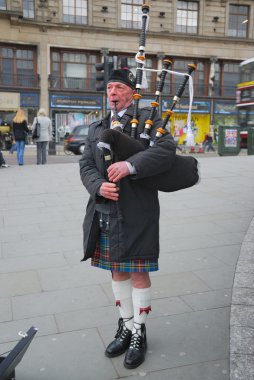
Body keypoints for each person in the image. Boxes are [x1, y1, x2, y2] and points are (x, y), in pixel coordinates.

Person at [79, 69, 176, 369]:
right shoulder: (98, 126)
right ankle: (125, 324)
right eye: (109, 87)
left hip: (138, 209)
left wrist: (130, 166)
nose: (112, 92)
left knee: (137, 272)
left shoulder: (150, 119)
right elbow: (85, 165)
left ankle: (139, 331)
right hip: (106, 210)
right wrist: (99, 186)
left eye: (119, 87)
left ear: (133, 92)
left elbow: (166, 151)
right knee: (116, 271)